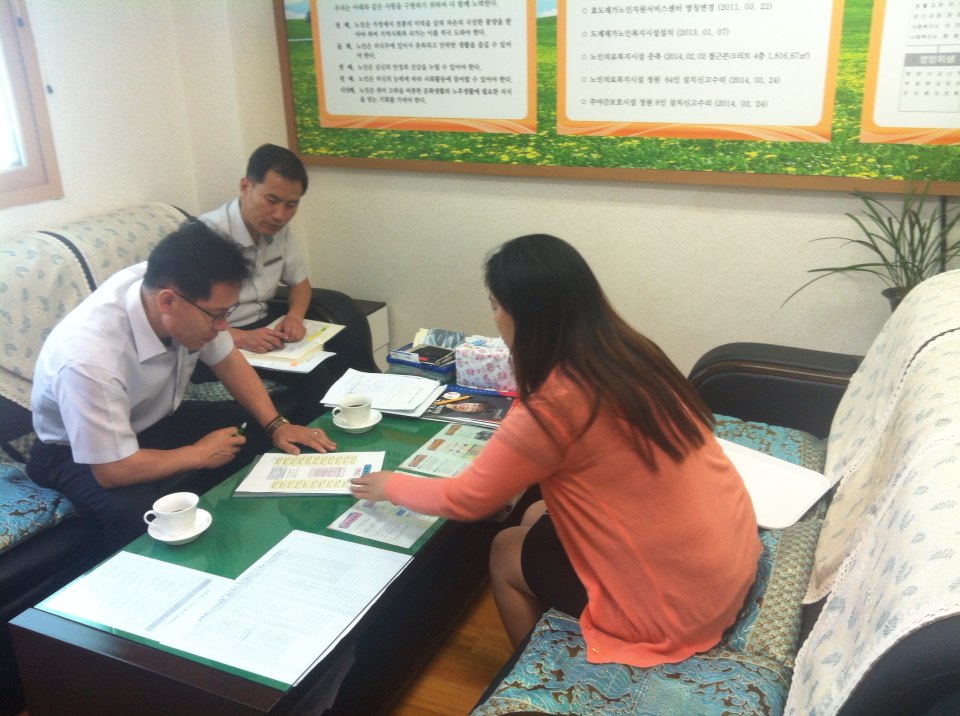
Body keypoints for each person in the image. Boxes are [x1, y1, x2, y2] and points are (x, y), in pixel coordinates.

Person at [351, 234, 761, 667]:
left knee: (506, 548)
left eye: (495, 306)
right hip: (725, 559)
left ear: (523, 315)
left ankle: (538, 669)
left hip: (676, 609)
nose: (494, 318)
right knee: (533, 511)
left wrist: (389, 485)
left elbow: (467, 499)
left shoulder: (554, 405)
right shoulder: (630, 352)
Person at [27, 220, 336, 546]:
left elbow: (227, 359)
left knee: (247, 428)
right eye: (216, 315)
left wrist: (277, 424)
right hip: (76, 454)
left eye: (227, 313)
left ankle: (234, 535)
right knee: (144, 514)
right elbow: (113, 470)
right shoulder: (89, 359)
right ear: (167, 302)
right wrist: (198, 454)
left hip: (148, 421)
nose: (223, 326)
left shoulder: (177, 292)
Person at [195, 144, 377, 421]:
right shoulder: (206, 237)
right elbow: (190, 319)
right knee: (313, 371)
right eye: (271, 200)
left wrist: (294, 316)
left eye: (291, 205)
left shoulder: (277, 229)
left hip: (263, 326)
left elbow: (300, 283)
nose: (279, 214)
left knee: (348, 339)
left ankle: (384, 412)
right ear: (246, 186)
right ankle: (323, 440)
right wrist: (241, 337)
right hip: (217, 339)